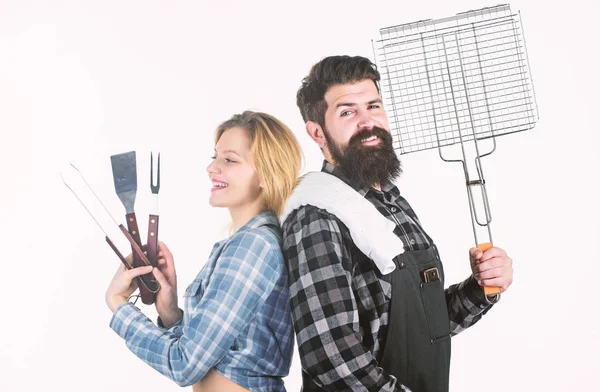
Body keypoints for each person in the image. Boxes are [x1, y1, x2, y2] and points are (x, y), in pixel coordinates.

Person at [281, 55, 514, 392]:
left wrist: (480, 288)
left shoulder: (392, 202)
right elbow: (329, 352)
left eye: (373, 106)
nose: (368, 121)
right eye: (347, 112)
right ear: (317, 132)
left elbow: (420, 324)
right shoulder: (317, 215)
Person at [105, 111, 303, 392]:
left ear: (266, 174)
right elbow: (214, 354)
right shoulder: (245, 244)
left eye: (229, 160)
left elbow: (184, 365)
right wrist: (171, 313)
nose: (212, 168)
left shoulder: (254, 246)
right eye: (215, 157)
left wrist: (118, 305)